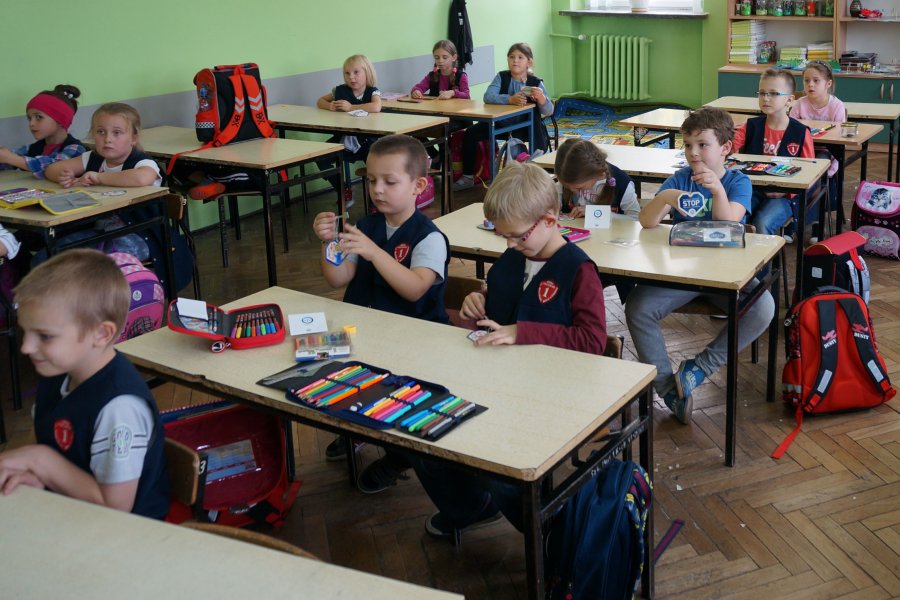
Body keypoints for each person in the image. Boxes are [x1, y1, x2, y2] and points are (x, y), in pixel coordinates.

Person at [414, 160, 607, 538]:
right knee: (424, 432)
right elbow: (502, 300)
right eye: (503, 236)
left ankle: (548, 536)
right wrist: (478, 299)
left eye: (516, 236)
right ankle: (469, 508)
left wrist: (523, 332)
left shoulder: (578, 270)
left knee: (500, 470)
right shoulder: (515, 256)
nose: (509, 245)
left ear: (549, 220)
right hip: (497, 383)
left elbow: (592, 341)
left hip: (550, 396)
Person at [312, 134, 449, 492]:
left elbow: (415, 288)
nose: (377, 190)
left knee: (400, 397)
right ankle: (359, 426)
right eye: (372, 180)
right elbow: (338, 277)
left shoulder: (429, 238)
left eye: (390, 181)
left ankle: (400, 455)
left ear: (418, 186)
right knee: (324, 366)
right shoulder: (366, 226)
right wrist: (328, 243)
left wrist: (374, 252)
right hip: (367, 332)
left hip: (415, 342)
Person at [625, 107, 775, 424]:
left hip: (726, 277)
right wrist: (665, 196)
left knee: (763, 308)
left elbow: (729, 222)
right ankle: (669, 390)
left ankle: (699, 368)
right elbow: (646, 222)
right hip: (683, 275)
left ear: (725, 148)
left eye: (702, 145)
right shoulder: (680, 178)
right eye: (688, 145)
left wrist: (717, 189)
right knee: (638, 307)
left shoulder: (738, 182)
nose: (693, 153)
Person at [0, 249, 169, 519]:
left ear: (101, 333)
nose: (26, 347)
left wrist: (39, 460)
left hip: (126, 535)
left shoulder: (119, 407)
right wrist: (38, 475)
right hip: (73, 513)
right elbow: (51, 441)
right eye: (25, 332)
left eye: (45, 336)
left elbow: (116, 508)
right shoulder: (59, 372)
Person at [453, 42, 554, 191]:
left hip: (527, 127)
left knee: (535, 146)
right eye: (512, 57)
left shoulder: (535, 83)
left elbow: (549, 111)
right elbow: (488, 96)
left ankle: (534, 179)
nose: (515, 61)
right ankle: (468, 176)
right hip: (501, 123)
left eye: (520, 57)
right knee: (470, 134)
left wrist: (541, 99)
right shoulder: (501, 77)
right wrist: (509, 99)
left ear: (529, 62)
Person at [733, 68, 815, 237]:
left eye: (773, 94)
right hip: (751, 189)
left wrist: (787, 191)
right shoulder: (750, 126)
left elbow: (810, 173)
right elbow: (727, 147)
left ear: (789, 100)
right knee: (734, 217)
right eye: (762, 93)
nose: (765, 98)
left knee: (762, 222)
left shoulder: (800, 132)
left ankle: (765, 255)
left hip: (783, 197)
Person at [316, 54, 383, 208]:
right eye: (347, 73)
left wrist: (351, 107)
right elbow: (320, 101)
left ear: (367, 72)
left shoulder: (372, 92)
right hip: (343, 140)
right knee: (320, 157)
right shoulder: (339, 91)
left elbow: (376, 107)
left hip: (366, 142)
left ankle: (376, 202)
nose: (351, 77)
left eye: (356, 72)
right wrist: (329, 106)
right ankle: (343, 190)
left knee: (375, 166)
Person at [790, 60, 846, 240]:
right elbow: (790, 132)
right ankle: (792, 221)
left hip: (826, 153)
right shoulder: (799, 104)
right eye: (807, 81)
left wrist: (832, 167)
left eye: (816, 80)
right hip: (801, 152)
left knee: (816, 171)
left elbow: (839, 142)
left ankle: (815, 224)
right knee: (796, 175)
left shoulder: (836, 106)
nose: (810, 85)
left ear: (828, 83)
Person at [410, 39, 472, 172]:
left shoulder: (461, 76)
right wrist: (416, 91)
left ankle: (447, 170)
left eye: (445, 57)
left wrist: (453, 92)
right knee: (413, 129)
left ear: (453, 57)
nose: (440, 61)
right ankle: (435, 156)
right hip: (437, 117)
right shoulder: (433, 75)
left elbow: (466, 95)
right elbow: (418, 87)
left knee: (443, 131)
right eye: (437, 57)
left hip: (457, 119)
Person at [0, 84, 85, 179]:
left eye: (38, 117)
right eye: (29, 118)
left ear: (60, 121)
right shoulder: (32, 148)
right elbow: (8, 160)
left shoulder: (76, 149)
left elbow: (53, 168)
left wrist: (10, 158)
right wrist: (4, 157)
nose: (31, 123)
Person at [554, 138, 640, 219]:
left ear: (595, 175)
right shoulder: (568, 174)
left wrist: (596, 213)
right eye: (567, 186)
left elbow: (635, 219)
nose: (573, 190)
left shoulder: (622, 184)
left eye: (579, 188)